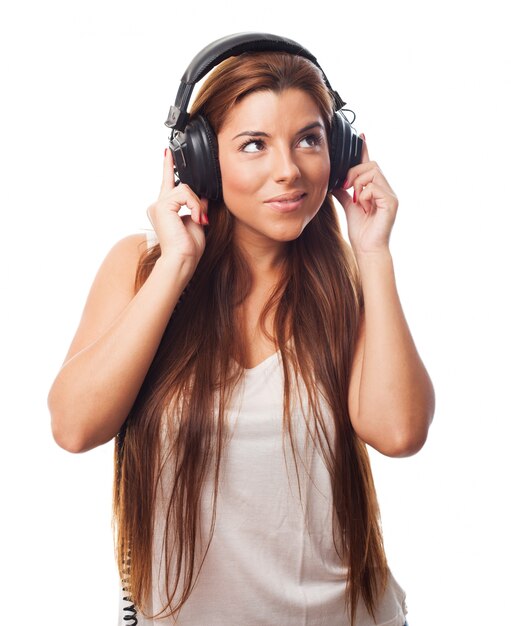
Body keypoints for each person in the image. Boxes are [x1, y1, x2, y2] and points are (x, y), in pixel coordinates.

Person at [48, 34, 433, 626]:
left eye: (309, 139)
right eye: (254, 144)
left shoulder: (347, 287)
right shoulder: (140, 268)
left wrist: (374, 252)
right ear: (199, 159)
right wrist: (176, 263)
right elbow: (74, 427)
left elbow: (400, 432)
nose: (288, 169)